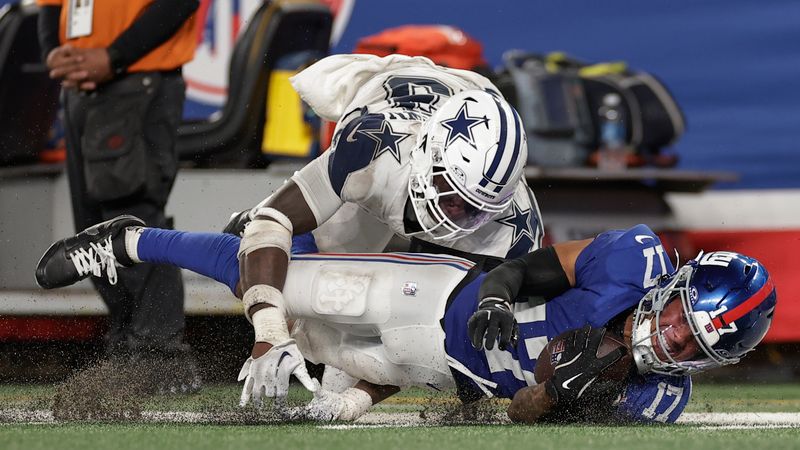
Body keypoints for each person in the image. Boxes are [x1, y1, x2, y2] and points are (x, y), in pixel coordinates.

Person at [35, 217, 777, 423]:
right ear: (671, 288)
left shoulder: (658, 400)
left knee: (329, 396)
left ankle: (349, 386)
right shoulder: (630, 262)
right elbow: (526, 270)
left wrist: (556, 396)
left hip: (433, 371)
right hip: (433, 299)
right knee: (279, 283)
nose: (670, 339)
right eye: (680, 320)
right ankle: (128, 240)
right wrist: (492, 298)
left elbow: (519, 415)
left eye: (690, 345)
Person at [220, 53, 544, 397]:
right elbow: (275, 220)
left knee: (431, 313)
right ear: (425, 155)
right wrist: (268, 332)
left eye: (474, 210)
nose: (455, 215)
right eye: (449, 193)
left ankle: (339, 387)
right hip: (388, 94)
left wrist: (357, 400)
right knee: (327, 287)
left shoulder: (513, 230)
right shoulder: (372, 150)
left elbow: (434, 344)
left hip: (472, 95)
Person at [36, 0, 200, 388]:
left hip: (137, 82)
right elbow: (49, 6)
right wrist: (54, 55)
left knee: (134, 222)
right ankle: (130, 346)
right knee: (93, 231)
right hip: (82, 91)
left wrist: (113, 57)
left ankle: (161, 355)